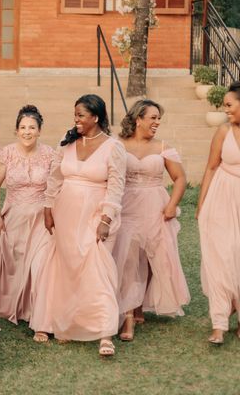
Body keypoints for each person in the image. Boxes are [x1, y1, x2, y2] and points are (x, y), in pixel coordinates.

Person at [30, 94, 126, 357]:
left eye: (81, 115)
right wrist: (48, 208)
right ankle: (53, 322)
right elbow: (55, 176)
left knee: (96, 267)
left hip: (95, 214)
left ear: (96, 117)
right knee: (61, 266)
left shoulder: (113, 147)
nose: (76, 120)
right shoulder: (68, 140)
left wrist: (106, 219)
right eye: (75, 115)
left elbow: (116, 187)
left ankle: (104, 332)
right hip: (65, 212)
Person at [113, 100, 189, 341]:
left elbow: (180, 179)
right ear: (138, 119)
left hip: (155, 206)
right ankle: (127, 314)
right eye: (153, 118)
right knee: (126, 257)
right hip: (125, 205)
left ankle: (139, 305)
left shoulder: (163, 147)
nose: (157, 123)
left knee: (153, 255)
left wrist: (171, 205)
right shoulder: (117, 145)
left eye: (159, 119)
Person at [0, 105, 54, 343]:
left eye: (32, 127)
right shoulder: (6, 153)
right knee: (16, 265)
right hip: (14, 217)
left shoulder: (50, 155)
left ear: (39, 131)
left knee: (41, 266)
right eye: (23, 127)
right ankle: (19, 307)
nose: (27, 132)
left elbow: (57, 187)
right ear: (16, 131)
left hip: (41, 220)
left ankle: (41, 320)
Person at [197, 81, 240, 344]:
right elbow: (211, 168)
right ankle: (219, 323)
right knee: (221, 259)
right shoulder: (223, 132)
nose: (225, 110)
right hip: (221, 199)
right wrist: (202, 205)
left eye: (229, 105)